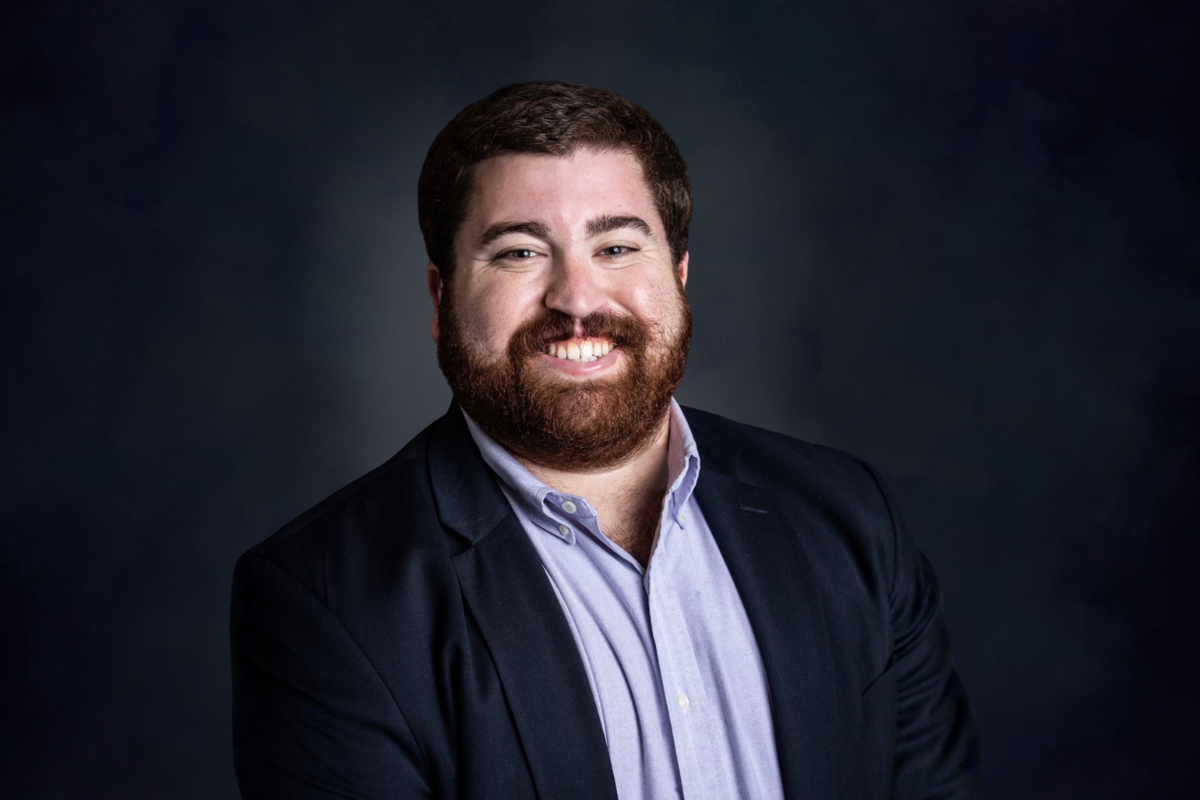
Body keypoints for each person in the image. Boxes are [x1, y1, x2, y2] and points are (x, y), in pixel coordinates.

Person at [230, 81, 982, 800]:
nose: (578, 298)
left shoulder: (848, 517)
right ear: (441, 297)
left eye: (617, 247)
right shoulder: (329, 599)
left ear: (679, 275)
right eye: (520, 252)